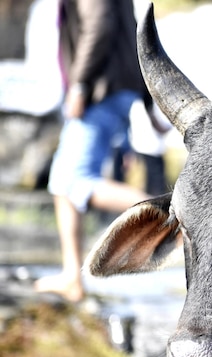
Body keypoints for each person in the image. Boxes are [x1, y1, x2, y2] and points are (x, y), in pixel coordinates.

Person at [34, 0, 166, 302]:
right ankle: (71, 277)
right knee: (61, 181)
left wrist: (79, 86)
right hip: (116, 91)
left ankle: (174, 215)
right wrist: (148, 107)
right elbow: (135, 37)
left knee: (75, 181)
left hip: (99, 90)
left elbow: (100, 26)